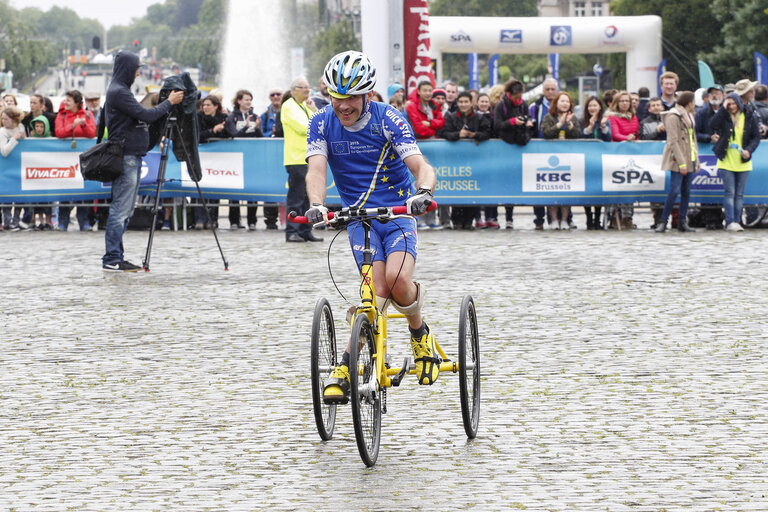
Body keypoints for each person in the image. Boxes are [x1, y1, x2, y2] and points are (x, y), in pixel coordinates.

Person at [305, 51, 440, 402]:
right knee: (374, 291)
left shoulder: (389, 119)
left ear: (367, 94)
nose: (342, 105)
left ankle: (419, 333)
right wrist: (317, 205)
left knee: (397, 282)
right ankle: (348, 363)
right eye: (336, 96)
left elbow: (421, 166)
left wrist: (423, 192)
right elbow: (316, 171)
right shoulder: (320, 122)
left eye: (350, 97)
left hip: (396, 215)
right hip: (357, 219)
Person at [102, 51, 183, 272]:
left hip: (132, 156)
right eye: (137, 67)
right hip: (126, 156)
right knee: (121, 209)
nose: (139, 72)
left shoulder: (120, 90)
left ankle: (115, 256)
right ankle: (111, 258)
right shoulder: (119, 92)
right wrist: (169, 102)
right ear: (128, 68)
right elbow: (146, 115)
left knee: (125, 210)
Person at [710, 81, 761, 231]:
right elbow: (713, 124)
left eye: (733, 104)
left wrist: (749, 150)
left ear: (739, 103)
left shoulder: (749, 115)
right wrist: (723, 109)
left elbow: (756, 137)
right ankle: (730, 221)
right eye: (729, 104)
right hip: (726, 159)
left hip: (743, 159)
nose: (731, 107)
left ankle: (737, 220)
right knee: (730, 192)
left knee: (739, 194)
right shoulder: (724, 116)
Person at [438, 91, 491, 229]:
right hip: (456, 160)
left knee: (473, 188)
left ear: (471, 103)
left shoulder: (479, 117)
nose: (463, 104)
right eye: (460, 102)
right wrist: (458, 135)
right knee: (458, 187)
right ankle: (457, 219)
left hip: (475, 159)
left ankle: (469, 220)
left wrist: (474, 135)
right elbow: (443, 132)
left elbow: (488, 132)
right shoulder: (451, 116)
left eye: (466, 102)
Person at [495, 79, 537, 229]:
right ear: (509, 94)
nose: (518, 100)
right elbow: (497, 125)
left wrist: (528, 122)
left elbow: (528, 117)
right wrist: (512, 122)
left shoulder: (523, 104)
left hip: (521, 145)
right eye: (516, 97)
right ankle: (508, 217)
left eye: (520, 97)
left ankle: (537, 218)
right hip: (506, 147)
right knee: (507, 183)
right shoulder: (502, 105)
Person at [655, 91, 699, 233]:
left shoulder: (690, 115)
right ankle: (663, 220)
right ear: (689, 102)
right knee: (674, 190)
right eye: (693, 101)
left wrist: (696, 160)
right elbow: (673, 141)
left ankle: (682, 220)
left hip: (690, 156)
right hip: (677, 158)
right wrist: (682, 163)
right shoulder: (673, 116)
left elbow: (693, 139)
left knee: (686, 191)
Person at [283, 76, 321, 243]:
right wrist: (315, 118)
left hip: (308, 157)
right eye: (304, 88)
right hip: (296, 158)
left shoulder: (305, 106)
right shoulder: (288, 106)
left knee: (307, 198)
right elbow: (303, 128)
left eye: (308, 88)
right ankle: (292, 231)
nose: (308, 91)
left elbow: (317, 123)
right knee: (296, 197)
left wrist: (313, 111)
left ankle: (306, 230)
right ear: (294, 90)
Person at [541, 91, 579, 230]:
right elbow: (546, 133)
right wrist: (559, 124)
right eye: (562, 101)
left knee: (566, 189)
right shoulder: (549, 117)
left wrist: (568, 124)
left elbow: (576, 135)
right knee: (553, 189)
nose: (565, 104)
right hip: (551, 157)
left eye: (567, 101)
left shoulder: (573, 118)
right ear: (556, 103)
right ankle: (554, 219)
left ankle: (565, 219)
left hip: (569, 157)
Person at [225, 89, 263, 230]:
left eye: (250, 100)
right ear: (239, 100)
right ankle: (234, 220)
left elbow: (260, 138)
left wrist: (257, 128)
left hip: (252, 158)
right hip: (235, 158)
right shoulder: (231, 117)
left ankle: (252, 221)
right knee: (235, 189)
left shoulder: (255, 116)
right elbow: (233, 135)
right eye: (246, 99)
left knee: (252, 189)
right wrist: (246, 127)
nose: (249, 102)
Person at [608, 91, 639, 229]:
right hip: (617, 154)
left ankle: (627, 217)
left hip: (630, 154)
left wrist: (635, 140)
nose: (625, 103)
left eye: (627, 101)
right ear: (617, 103)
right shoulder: (613, 117)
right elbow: (615, 134)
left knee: (630, 187)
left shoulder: (633, 116)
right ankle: (614, 217)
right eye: (622, 101)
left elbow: (636, 133)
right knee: (615, 187)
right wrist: (627, 138)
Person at [195, 94, 228, 229]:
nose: (206, 107)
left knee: (215, 187)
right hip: (201, 155)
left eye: (209, 105)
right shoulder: (197, 117)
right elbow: (197, 136)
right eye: (204, 105)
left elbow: (230, 134)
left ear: (216, 106)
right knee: (199, 188)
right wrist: (213, 131)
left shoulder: (223, 118)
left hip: (218, 157)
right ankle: (199, 218)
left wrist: (222, 129)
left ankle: (213, 219)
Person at [580, 96, 610, 230]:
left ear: (600, 108)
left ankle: (597, 218)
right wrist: (590, 127)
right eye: (590, 106)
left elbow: (608, 138)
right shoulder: (582, 121)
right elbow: (580, 137)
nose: (592, 108)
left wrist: (602, 126)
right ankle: (588, 217)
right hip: (586, 160)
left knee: (598, 189)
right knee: (587, 189)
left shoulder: (604, 121)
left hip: (601, 160)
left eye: (595, 106)